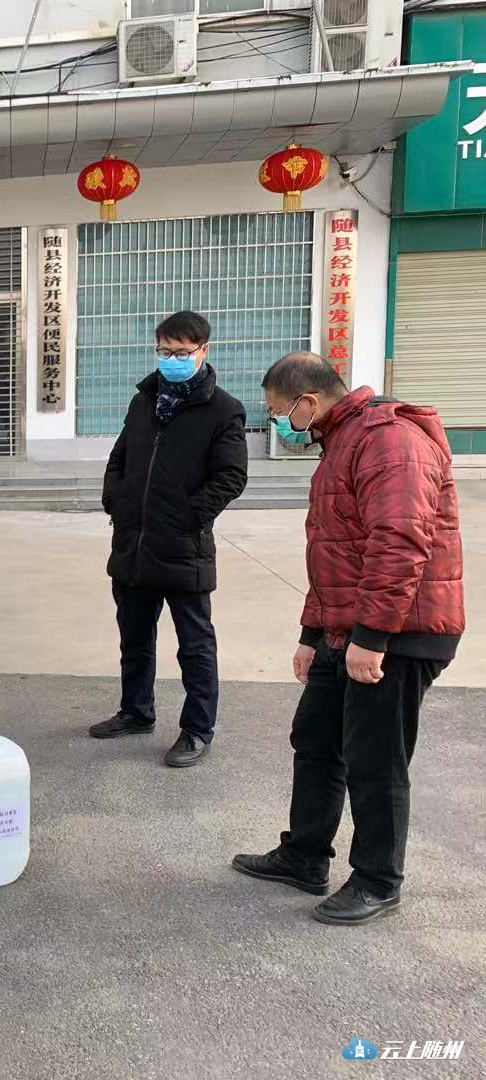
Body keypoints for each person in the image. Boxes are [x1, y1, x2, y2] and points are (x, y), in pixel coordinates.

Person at [233, 353, 464, 925]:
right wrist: (312, 633)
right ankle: (305, 855)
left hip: (400, 631)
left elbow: (399, 542)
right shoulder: (341, 440)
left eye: (278, 412)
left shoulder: (389, 440)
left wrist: (372, 636)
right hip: (349, 627)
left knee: (375, 758)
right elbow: (333, 554)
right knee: (316, 738)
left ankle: (378, 881)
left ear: (308, 402)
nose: (279, 424)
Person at [94, 311, 248, 766]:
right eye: (164, 351)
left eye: (182, 353)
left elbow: (231, 477)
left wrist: (188, 517)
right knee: (134, 638)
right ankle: (135, 712)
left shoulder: (223, 409)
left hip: (184, 548)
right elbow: (120, 457)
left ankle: (197, 729)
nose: (172, 360)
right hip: (134, 544)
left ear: (204, 351)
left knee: (195, 645)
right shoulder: (144, 400)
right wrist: (116, 501)